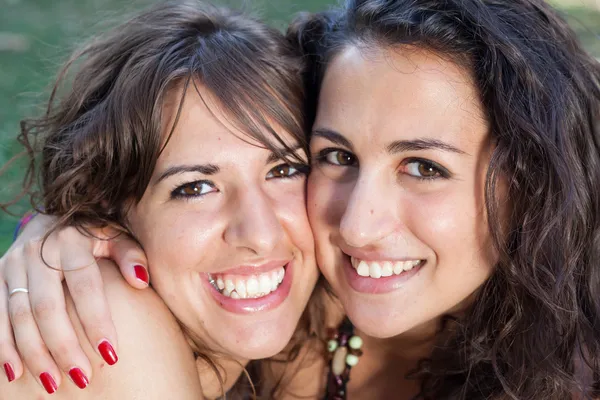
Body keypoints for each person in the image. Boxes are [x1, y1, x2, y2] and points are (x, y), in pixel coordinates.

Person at [3, 0, 600, 399]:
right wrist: (64, 228)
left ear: (533, 180)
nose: (359, 224)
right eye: (336, 157)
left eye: (423, 166)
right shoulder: (248, 315)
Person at [0, 0, 323, 398]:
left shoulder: (323, 319)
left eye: (284, 170)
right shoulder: (114, 327)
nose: (260, 233)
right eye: (195, 188)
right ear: (108, 207)